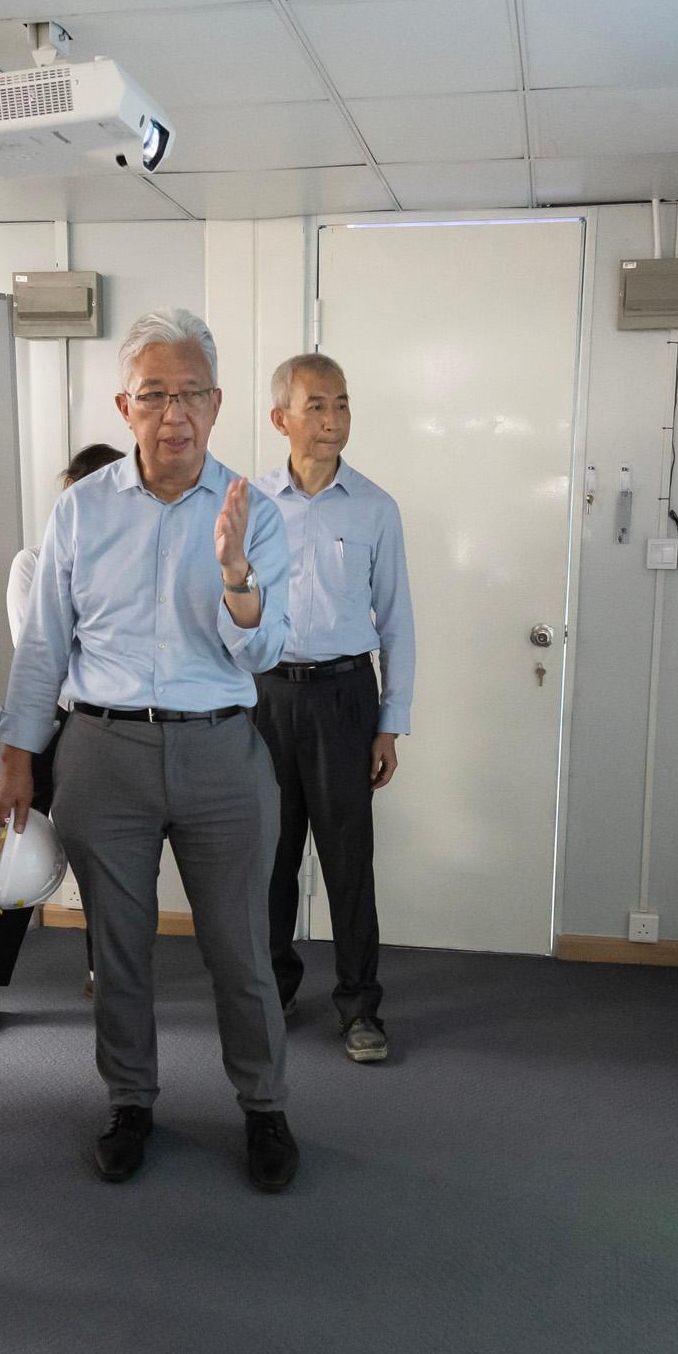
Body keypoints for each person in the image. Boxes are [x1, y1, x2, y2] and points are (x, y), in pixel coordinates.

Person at [0, 308, 303, 1192]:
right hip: (103, 751)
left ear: (217, 404)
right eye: (156, 395)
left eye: (192, 394)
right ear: (124, 407)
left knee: (240, 946)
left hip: (222, 755)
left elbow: (266, 651)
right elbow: (44, 646)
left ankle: (265, 1106)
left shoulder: (255, 513)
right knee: (118, 950)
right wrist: (18, 750)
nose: (176, 414)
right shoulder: (81, 511)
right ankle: (131, 1100)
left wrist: (236, 574)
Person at [255, 354, 414, 1064]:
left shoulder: (376, 508)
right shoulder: (249, 505)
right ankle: (272, 987)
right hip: (265, 700)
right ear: (280, 418)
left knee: (349, 861)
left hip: (348, 698)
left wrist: (390, 723)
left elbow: (397, 623)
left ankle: (359, 1006)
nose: (333, 420)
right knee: (270, 858)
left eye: (342, 404)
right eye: (316, 405)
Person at [0, 441, 120, 1045]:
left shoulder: (129, 569)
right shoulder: (33, 562)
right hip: (48, 728)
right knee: (17, 858)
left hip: (108, 730)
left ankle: (106, 974)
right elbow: (41, 654)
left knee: (109, 859)